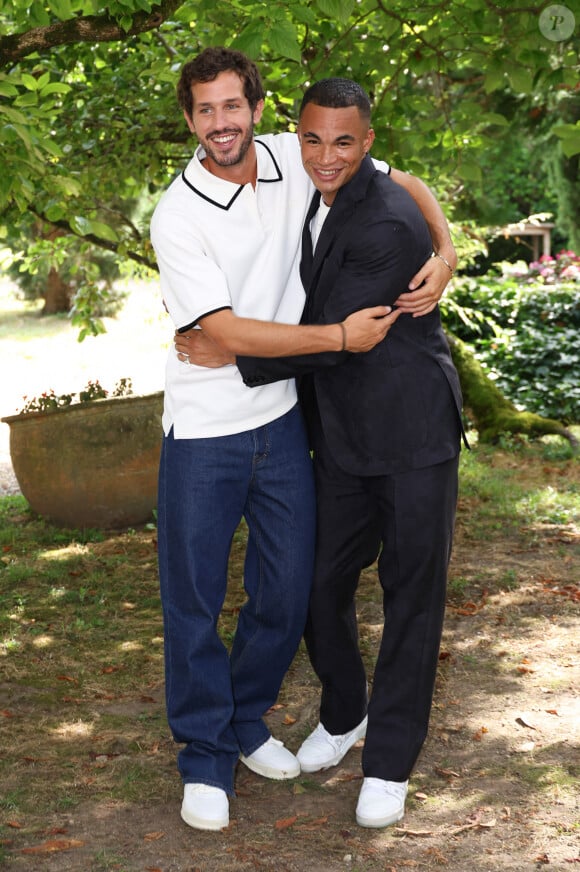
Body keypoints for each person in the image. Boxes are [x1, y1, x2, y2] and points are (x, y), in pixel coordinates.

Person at [151, 47, 456, 833]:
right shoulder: (177, 213)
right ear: (189, 120)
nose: (222, 123)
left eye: (233, 106)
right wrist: (327, 339)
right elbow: (215, 331)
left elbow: (401, 180)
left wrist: (445, 247)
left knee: (286, 597)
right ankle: (204, 753)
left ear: (257, 109)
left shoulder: (297, 155)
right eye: (205, 110)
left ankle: (249, 718)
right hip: (207, 429)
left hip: (287, 418)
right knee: (194, 600)